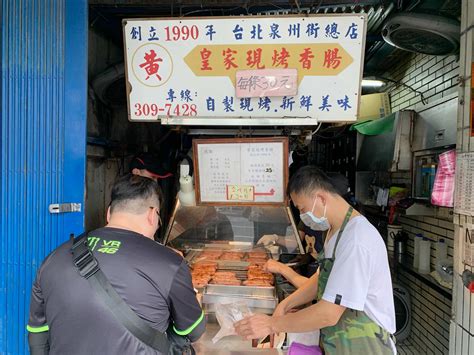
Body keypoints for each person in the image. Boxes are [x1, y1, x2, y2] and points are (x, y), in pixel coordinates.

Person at [27, 174, 205, 354]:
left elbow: (37, 333)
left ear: (109, 213)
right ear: (152, 215)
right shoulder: (169, 263)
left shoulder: (54, 258)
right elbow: (193, 331)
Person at [235, 166, 396, 354]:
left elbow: (328, 314)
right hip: (342, 345)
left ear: (320, 198)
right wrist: (285, 305)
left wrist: (272, 324)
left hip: (367, 347)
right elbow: (321, 280)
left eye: (302, 208)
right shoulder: (335, 232)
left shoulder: (356, 240)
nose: (303, 215)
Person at [257, 171, 352, 289]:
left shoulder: (351, 239)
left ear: (323, 198)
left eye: (302, 208)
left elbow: (328, 295)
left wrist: (283, 269)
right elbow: (318, 288)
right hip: (312, 269)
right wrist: (275, 238)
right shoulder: (314, 218)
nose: (302, 214)